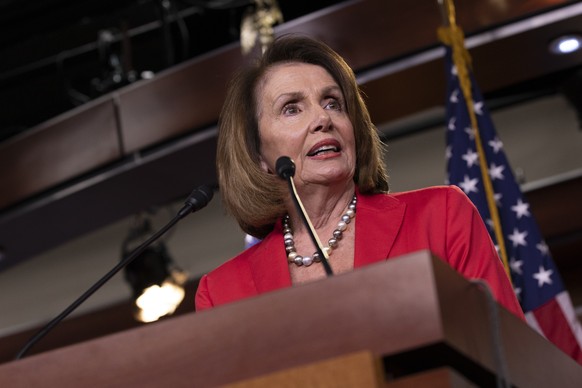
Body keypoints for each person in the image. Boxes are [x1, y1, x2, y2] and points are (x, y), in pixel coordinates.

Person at [195, 34, 524, 319]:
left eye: (333, 103)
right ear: (258, 155)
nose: (323, 118)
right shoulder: (222, 293)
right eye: (292, 108)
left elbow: (510, 352)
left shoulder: (441, 216)